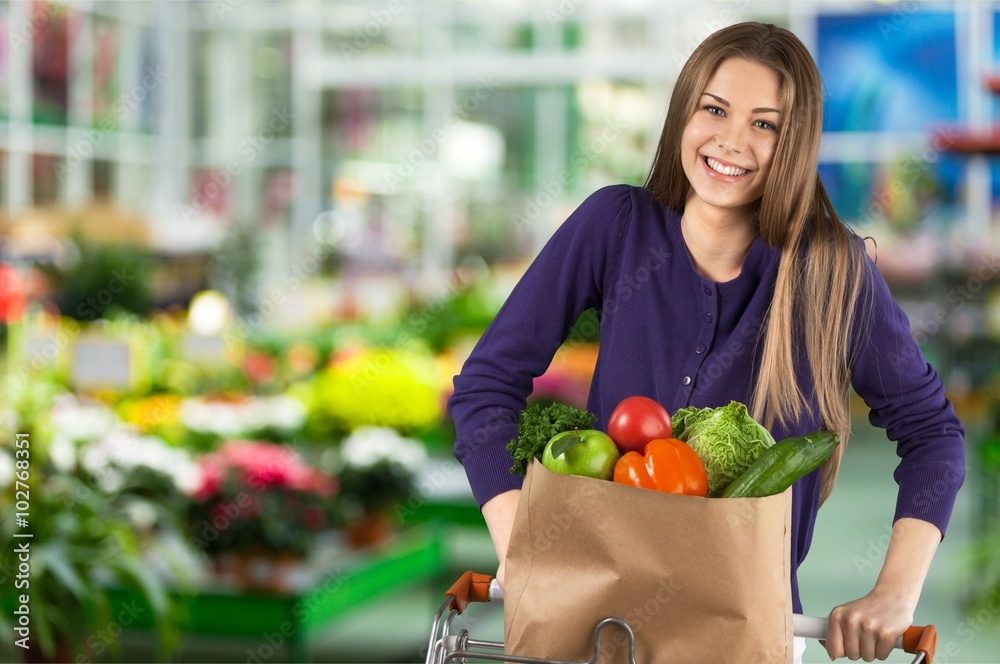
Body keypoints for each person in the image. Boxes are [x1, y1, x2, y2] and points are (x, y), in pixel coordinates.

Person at [447, 21, 965, 664]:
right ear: (683, 113)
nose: (732, 141)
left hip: (748, 633)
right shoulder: (615, 226)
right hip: (595, 625)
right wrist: (524, 551)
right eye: (714, 109)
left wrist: (895, 593)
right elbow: (485, 386)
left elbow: (932, 434)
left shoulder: (832, 274)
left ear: (795, 143)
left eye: (765, 124)